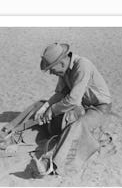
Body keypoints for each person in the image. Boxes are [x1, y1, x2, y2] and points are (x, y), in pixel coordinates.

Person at [34, 42, 112, 176]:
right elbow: (60, 94)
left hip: (98, 108)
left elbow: (73, 99)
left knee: (77, 126)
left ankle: (51, 164)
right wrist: (45, 107)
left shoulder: (82, 65)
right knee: (41, 105)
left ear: (62, 62)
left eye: (52, 69)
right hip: (81, 106)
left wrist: (52, 110)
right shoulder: (64, 72)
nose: (52, 73)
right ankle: (10, 133)